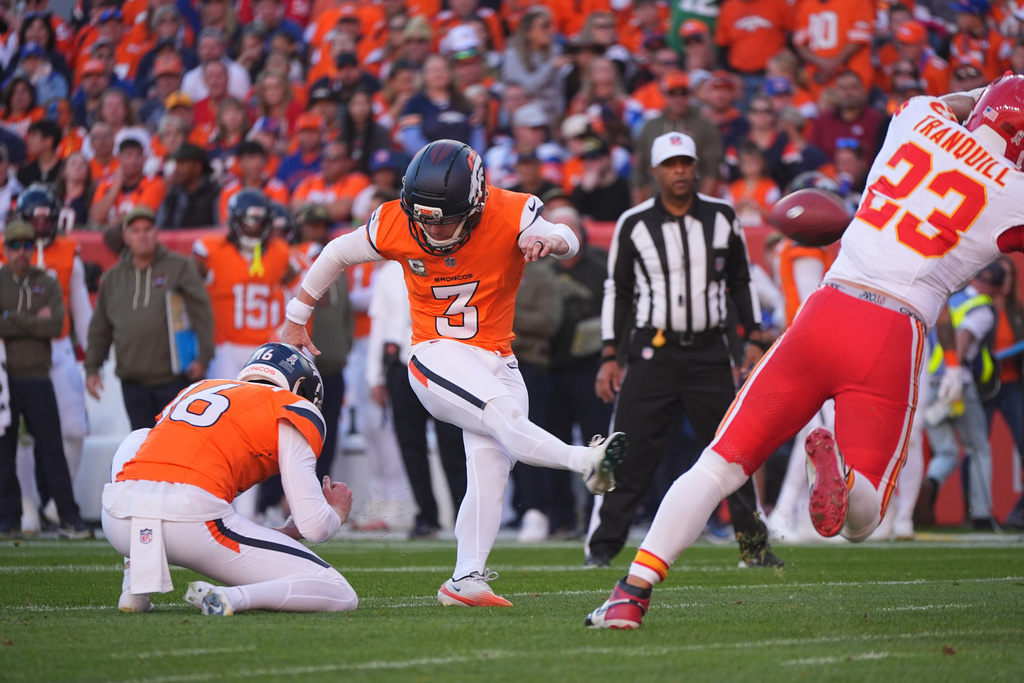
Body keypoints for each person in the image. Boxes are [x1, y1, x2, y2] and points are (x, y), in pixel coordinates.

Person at [584, 76, 1024, 630]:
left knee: (718, 465)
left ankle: (631, 593)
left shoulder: (917, 118)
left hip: (825, 312)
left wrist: (990, 95)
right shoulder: (1014, 194)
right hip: (891, 330)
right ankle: (842, 472)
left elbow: (947, 105)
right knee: (863, 520)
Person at [282, 139, 627, 607]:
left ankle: (466, 579)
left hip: (498, 358)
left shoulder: (509, 211)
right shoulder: (396, 221)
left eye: (445, 217)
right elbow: (337, 252)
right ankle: (586, 462)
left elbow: (572, 237)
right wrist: (296, 314)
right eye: (425, 216)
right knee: (508, 422)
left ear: (477, 201)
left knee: (492, 468)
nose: (434, 226)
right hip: (435, 353)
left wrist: (547, 238)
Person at [589, 131, 781, 570]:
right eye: (670, 164)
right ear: (655, 171)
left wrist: (751, 336)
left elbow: (739, 282)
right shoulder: (634, 223)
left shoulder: (721, 216)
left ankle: (754, 547)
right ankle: (601, 548)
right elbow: (617, 290)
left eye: (685, 163)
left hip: (709, 352)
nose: (679, 171)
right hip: (652, 353)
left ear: (696, 167)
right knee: (630, 451)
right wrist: (609, 354)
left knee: (734, 450)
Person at [101, 342, 359, 616]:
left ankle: (134, 586)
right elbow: (315, 527)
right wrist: (335, 513)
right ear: (301, 390)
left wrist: (282, 535)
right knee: (340, 592)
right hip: (191, 521)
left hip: (119, 519)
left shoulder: (197, 389)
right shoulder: (292, 406)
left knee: (140, 438)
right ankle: (229, 597)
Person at [85, 207, 215, 431]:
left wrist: (204, 357)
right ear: (125, 236)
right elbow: (100, 327)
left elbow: (201, 311)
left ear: (156, 232)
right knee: (142, 446)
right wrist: (92, 368)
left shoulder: (179, 266)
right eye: (135, 230)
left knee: (177, 446)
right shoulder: (113, 277)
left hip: (175, 380)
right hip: (132, 382)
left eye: (147, 229)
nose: (142, 235)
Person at [0, 221, 90, 539]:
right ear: (5, 249)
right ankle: (7, 517)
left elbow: (56, 325)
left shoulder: (47, 281)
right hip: (6, 378)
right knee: (4, 451)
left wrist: (11, 320)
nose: (21, 252)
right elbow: (41, 323)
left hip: (40, 375)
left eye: (27, 246)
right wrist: (30, 321)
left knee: (52, 449)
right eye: (14, 246)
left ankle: (69, 515)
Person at [916, 263, 1002, 529]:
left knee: (946, 452)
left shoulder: (950, 300)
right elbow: (962, 338)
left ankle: (928, 486)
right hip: (957, 383)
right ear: (996, 287)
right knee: (978, 449)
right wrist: (954, 370)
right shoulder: (982, 308)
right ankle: (981, 513)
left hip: (928, 382)